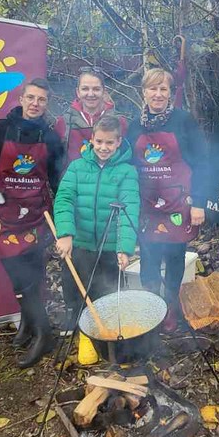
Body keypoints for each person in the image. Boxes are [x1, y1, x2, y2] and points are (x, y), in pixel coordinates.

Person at [0, 78, 64, 368]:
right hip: (3, 216)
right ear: (21, 99)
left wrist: (63, 214)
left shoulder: (51, 137)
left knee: (30, 275)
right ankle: (34, 326)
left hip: (37, 216)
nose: (35, 104)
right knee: (18, 276)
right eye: (31, 98)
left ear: (47, 104)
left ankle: (41, 333)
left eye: (41, 100)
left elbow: (57, 178)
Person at [127, 69, 206, 331]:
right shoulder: (134, 125)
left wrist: (199, 202)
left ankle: (171, 305)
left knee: (174, 257)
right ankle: (152, 304)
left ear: (170, 93)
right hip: (146, 203)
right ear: (144, 92)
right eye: (153, 88)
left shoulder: (183, 120)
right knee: (148, 256)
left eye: (163, 89)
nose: (158, 94)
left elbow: (201, 162)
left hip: (178, 204)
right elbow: (127, 165)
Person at [53, 115, 140, 315]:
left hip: (109, 247)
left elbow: (129, 210)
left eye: (110, 142)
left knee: (105, 294)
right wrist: (65, 234)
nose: (103, 147)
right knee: (74, 285)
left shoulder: (127, 172)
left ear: (118, 142)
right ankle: (73, 315)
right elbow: (64, 199)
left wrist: (124, 249)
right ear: (91, 139)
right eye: (99, 141)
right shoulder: (76, 167)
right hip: (80, 243)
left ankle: (103, 330)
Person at [54, 67, 127, 171]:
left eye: (96, 89)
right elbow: (56, 161)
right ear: (78, 92)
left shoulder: (119, 122)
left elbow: (125, 158)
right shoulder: (64, 122)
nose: (91, 94)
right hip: (74, 184)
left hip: (108, 184)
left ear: (103, 92)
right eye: (85, 89)